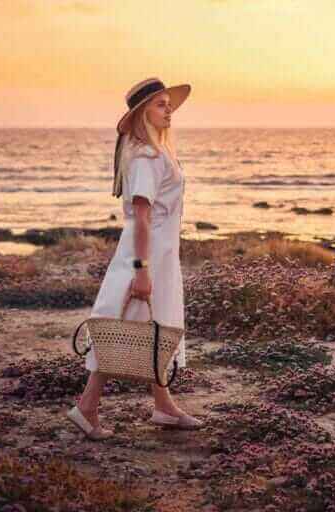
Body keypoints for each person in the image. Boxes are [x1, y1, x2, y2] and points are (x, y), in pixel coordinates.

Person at [66, 77, 203, 440]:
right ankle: (88, 407)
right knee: (126, 324)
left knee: (150, 325)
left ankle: (161, 405)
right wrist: (141, 270)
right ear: (144, 112)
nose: (168, 108)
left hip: (158, 252)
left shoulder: (158, 152)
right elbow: (141, 216)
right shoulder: (145, 156)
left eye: (168, 103)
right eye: (160, 104)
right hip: (145, 255)